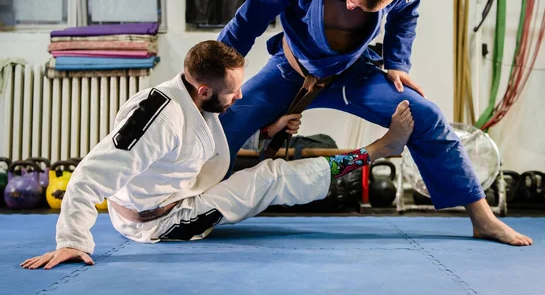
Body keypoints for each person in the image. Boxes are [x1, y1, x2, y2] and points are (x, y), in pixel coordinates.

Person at [217, 0, 533, 246]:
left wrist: (397, 63)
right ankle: (196, 202)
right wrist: (220, 77)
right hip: (290, 70)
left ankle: (483, 219)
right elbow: (248, 20)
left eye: (366, 8)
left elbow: (407, 14)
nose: (353, 7)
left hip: (353, 74)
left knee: (426, 115)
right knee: (222, 120)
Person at [21, 40, 415, 270]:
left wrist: (269, 130)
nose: (239, 95)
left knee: (253, 155)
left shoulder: (190, 100)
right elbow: (90, 175)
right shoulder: (159, 119)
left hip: (180, 187)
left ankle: (364, 147)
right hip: (159, 223)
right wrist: (73, 241)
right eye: (232, 90)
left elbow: (199, 145)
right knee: (272, 177)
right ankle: (381, 150)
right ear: (204, 90)